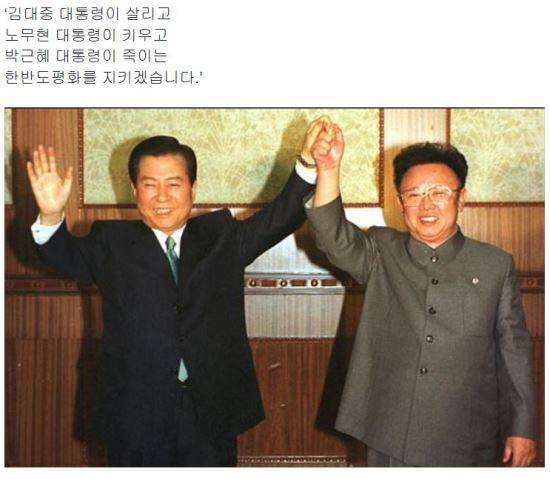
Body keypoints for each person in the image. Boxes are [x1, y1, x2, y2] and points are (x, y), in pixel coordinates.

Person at [26, 120, 323, 466]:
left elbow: (281, 217)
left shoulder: (221, 238)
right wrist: (51, 215)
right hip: (134, 414)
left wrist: (308, 162)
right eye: (150, 185)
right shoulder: (111, 243)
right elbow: (61, 255)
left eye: (174, 184)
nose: (162, 197)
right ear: (134, 190)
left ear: (193, 189)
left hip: (210, 411)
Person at [305, 121, 537, 467]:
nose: (426, 205)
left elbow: (513, 350)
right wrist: (328, 169)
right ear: (401, 202)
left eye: (439, 193)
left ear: (461, 198)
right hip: (390, 431)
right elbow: (332, 236)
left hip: (469, 434)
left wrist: (523, 427)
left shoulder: (494, 264)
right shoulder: (381, 249)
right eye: (413, 195)